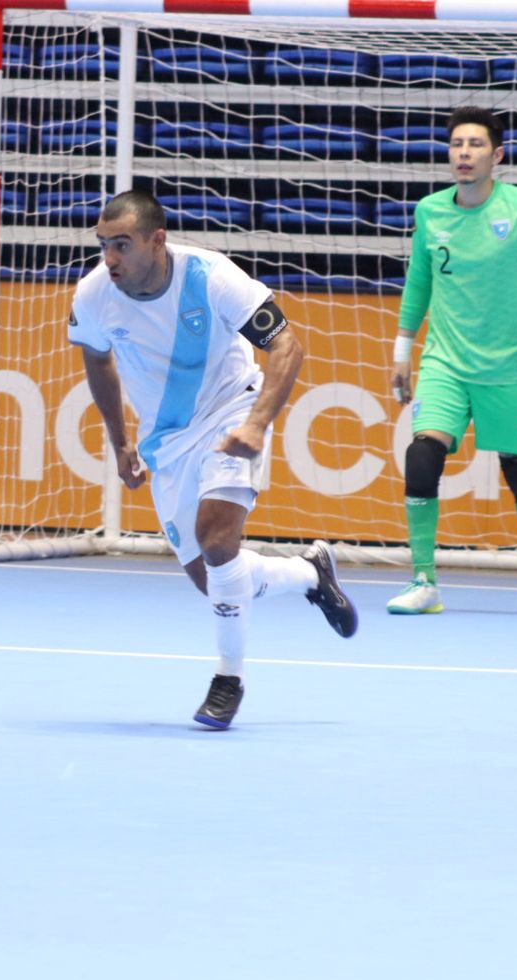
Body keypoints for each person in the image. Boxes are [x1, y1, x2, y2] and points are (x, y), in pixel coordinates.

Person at [70, 190, 358, 730]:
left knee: (218, 538)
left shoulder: (212, 276)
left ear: (157, 241)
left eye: (122, 245)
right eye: (103, 245)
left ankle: (229, 680)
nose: (110, 258)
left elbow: (287, 346)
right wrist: (120, 442)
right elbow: (97, 360)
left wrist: (255, 424)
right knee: (213, 577)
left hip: (232, 408)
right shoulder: (93, 295)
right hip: (166, 441)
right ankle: (308, 574)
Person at [388, 106, 517, 616]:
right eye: (456, 145)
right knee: (422, 456)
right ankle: (423, 580)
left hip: (508, 368)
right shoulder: (430, 212)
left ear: (496, 155)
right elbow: (419, 284)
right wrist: (402, 352)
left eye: (475, 145)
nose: (464, 153)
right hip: (445, 363)